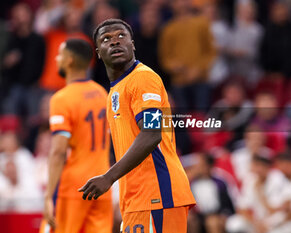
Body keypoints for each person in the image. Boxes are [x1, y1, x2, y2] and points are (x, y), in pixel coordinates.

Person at [79, 19, 196, 232]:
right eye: (107, 39)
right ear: (98, 52)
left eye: (121, 36)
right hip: (137, 198)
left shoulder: (142, 79)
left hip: (158, 194)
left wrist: (108, 177)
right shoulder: (116, 89)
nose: (115, 42)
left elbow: (152, 134)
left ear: (132, 44)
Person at [41, 39, 113, 233]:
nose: (56, 59)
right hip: (102, 184)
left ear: (69, 60)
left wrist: (48, 196)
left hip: (73, 188)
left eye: (59, 54)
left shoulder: (62, 98)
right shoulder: (102, 94)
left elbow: (58, 151)